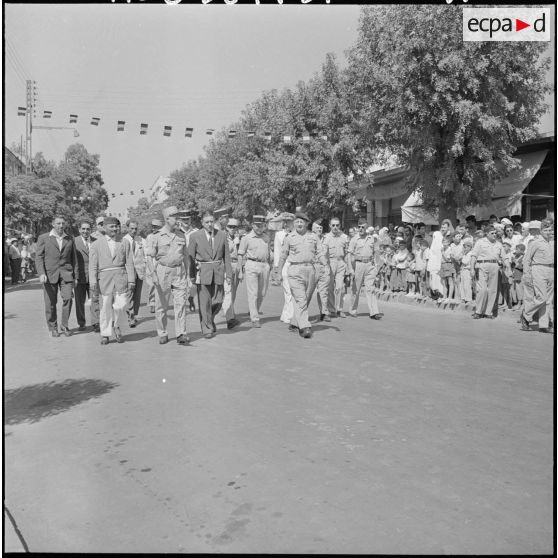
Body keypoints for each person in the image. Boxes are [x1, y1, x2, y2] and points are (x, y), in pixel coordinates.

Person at [277, 211, 326, 338]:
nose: (299, 224)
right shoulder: (289, 238)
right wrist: (278, 272)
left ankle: (294, 322)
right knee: (301, 299)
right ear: (294, 224)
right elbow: (283, 256)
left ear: (306, 224)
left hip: (310, 270)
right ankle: (305, 326)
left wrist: (325, 265)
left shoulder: (314, 237)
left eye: (301, 222)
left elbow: (320, 253)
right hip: (295, 270)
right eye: (297, 222)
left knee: (306, 298)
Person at [147, 206, 190, 345]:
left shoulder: (181, 235)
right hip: (163, 271)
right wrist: (153, 274)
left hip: (179, 271)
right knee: (162, 305)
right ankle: (163, 332)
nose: (178, 220)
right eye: (175, 217)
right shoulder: (156, 236)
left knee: (181, 303)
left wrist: (188, 276)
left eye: (179, 217)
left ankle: (181, 333)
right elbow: (149, 257)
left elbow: (185, 256)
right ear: (166, 219)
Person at [89, 216, 135, 345]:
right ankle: (105, 333)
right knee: (105, 307)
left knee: (120, 305)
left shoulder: (125, 242)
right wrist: (92, 280)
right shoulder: (96, 244)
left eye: (117, 226)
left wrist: (131, 280)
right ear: (104, 228)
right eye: (112, 226)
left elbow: (129, 262)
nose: (115, 229)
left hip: (121, 278)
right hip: (104, 279)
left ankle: (116, 326)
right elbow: (92, 265)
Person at [188, 211, 232, 339]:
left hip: (218, 271)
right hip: (202, 272)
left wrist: (228, 274)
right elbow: (190, 257)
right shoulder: (195, 236)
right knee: (204, 302)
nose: (209, 224)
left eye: (212, 221)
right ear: (202, 223)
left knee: (218, 300)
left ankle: (210, 318)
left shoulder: (222, 235)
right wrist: (191, 276)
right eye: (207, 222)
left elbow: (227, 256)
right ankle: (206, 327)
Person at [35, 216, 77, 337]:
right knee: (50, 303)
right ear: (53, 224)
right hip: (49, 274)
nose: (61, 225)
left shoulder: (69, 238)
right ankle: (53, 326)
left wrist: (76, 276)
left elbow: (74, 258)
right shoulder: (44, 238)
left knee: (68, 298)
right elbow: (39, 257)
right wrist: (41, 273)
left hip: (66, 274)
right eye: (58, 223)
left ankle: (64, 325)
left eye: (63, 223)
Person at [238, 215, 272, 328]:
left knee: (262, 293)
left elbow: (269, 252)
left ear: (264, 226)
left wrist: (270, 266)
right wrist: (240, 271)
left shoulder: (266, 238)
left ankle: (254, 310)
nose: (259, 228)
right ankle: (255, 318)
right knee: (253, 293)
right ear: (253, 225)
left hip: (264, 265)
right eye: (257, 226)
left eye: (261, 226)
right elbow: (240, 254)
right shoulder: (246, 238)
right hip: (251, 264)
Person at [520, 220, 554, 333]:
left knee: (548, 300)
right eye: (545, 230)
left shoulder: (552, 242)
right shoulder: (535, 242)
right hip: (538, 269)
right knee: (541, 297)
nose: (548, 232)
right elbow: (527, 259)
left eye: (550, 230)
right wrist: (527, 274)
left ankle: (543, 325)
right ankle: (526, 315)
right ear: (541, 231)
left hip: (551, 270)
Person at [348, 218, 383, 319]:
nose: (360, 229)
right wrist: (350, 268)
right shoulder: (354, 239)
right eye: (359, 227)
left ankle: (374, 312)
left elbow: (376, 253)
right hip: (358, 264)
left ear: (366, 227)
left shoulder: (371, 239)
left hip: (369, 265)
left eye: (363, 227)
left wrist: (376, 266)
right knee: (355, 289)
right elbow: (349, 254)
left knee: (370, 289)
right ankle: (353, 310)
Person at [469, 225, 503, 319]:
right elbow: (474, 256)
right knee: (482, 290)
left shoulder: (498, 244)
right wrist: (471, 268)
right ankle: (478, 311)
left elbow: (504, 257)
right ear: (486, 234)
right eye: (492, 233)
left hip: (494, 266)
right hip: (481, 266)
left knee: (493, 290)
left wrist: (507, 268)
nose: (494, 235)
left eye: (495, 233)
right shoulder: (480, 242)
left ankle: (488, 312)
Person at [73, 220, 100, 332]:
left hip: (93, 276)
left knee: (94, 300)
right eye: (83, 229)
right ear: (79, 230)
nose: (85, 231)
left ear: (91, 230)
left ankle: (95, 322)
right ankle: (81, 323)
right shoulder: (74, 242)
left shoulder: (96, 241)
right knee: (79, 301)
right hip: (79, 277)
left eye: (88, 229)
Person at [323, 217, 349, 318]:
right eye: (333, 225)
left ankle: (339, 309)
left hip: (341, 262)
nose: (335, 227)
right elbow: (324, 253)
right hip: (330, 262)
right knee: (330, 287)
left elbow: (347, 253)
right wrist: (325, 265)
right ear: (330, 226)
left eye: (337, 225)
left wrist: (347, 266)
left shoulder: (344, 237)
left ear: (340, 226)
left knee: (340, 287)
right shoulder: (326, 237)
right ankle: (331, 309)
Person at [122, 220, 145, 328]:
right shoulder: (123, 240)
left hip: (139, 271)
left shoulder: (140, 240)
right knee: (129, 294)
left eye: (136, 228)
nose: (134, 230)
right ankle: (130, 317)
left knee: (137, 295)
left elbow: (146, 254)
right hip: (128, 271)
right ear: (127, 228)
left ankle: (135, 314)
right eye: (131, 228)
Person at [273, 212, 295, 324]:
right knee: (288, 290)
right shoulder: (279, 235)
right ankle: (289, 316)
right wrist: (277, 270)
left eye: (289, 222)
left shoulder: (296, 234)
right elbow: (277, 252)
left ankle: (285, 315)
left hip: (295, 265)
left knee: (292, 291)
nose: (287, 224)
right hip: (285, 265)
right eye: (285, 222)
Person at [221, 217, 241, 329]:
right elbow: (225, 252)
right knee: (227, 291)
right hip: (226, 265)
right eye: (230, 227)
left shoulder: (238, 237)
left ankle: (230, 312)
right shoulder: (223, 237)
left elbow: (241, 254)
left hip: (236, 265)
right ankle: (230, 318)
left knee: (233, 291)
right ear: (226, 227)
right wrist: (235, 243)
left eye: (235, 227)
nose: (233, 229)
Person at [177, 209, 198, 312]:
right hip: (180, 262)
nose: (186, 221)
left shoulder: (196, 232)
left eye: (187, 219)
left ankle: (191, 298)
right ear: (180, 220)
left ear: (190, 219)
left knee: (194, 285)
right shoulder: (175, 233)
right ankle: (181, 305)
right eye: (183, 219)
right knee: (180, 285)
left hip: (192, 261)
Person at [311, 220, 331, 322]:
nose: (319, 229)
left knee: (323, 292)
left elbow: (328, 254)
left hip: (323, 268)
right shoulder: (309, 238)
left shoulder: (326, 239)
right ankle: (301, 313)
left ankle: (324, 312)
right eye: (317, 228)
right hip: (312, 268)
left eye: (320, 228)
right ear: (312, 229)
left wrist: (327, 267)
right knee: (308, 292)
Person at [144, 218, 163, 314]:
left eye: (156, 227)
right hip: (150, 262)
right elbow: (147, 251)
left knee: (160, 285)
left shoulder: (163, 236)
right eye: (153, 226)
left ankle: (159, 303)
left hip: (160, 263)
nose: (154, 228)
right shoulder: (149, 237)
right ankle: (152, 303)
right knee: (151, 285)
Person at [427, 231, 443, 300]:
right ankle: (434, 295)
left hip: (438, 267)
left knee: (439, 281)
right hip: (432, 267)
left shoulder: (441, 246)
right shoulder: (432, 246)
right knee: (433, 281)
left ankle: (441, 295)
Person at [459, 238, 474, 303]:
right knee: (462, 285)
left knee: (467, 285)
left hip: (467, 270)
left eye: (466, 247)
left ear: (470, 247)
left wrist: (462, 256)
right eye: (464, 247)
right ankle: (463, 298)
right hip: (463, 270)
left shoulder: (470, 254)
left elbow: (465, 262)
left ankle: (468, 299)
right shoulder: (465, 254)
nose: (465, 248)